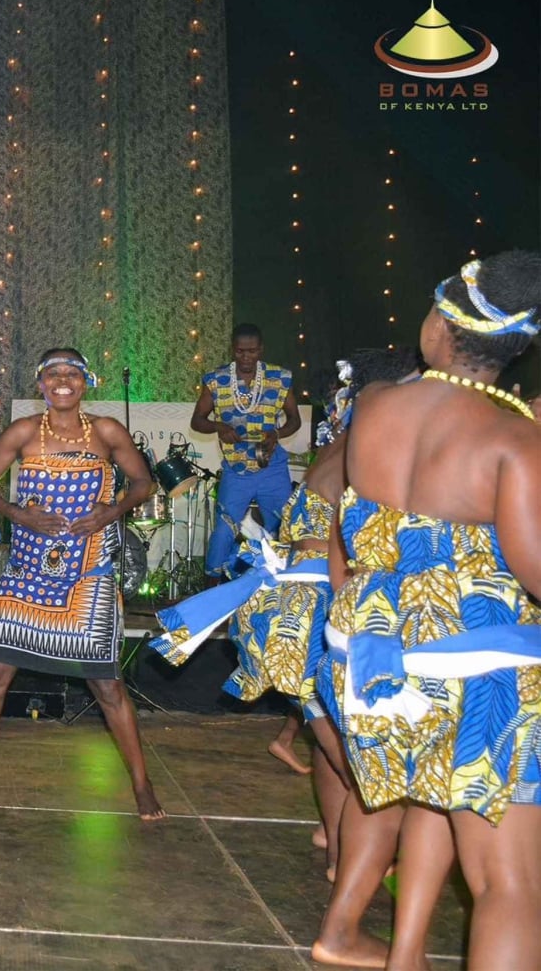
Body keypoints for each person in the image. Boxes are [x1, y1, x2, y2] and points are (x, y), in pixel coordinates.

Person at [311, 252, 541, 971]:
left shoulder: (377, 408)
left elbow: (355, 537)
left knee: (433, 803)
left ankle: (405, 955)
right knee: (509, 882)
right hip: (477, 676)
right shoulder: (513, 438)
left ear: (441, 324)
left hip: (372, 667)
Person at [154, 348, 420, 883]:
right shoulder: (372, 446)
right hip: (313, 607)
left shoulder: (347, 442)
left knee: (328, 737)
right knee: (360, 761)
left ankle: (335, 846)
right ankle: (358, 863)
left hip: (295, 604)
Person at [0, 349, 165, 821]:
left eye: (72, 374)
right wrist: (17, 513)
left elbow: (142, 483)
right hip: (28, 573)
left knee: (108, 685)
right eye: (53, 374)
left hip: (89, 574)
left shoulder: (107, 431)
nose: (63, 381)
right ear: (40, 384)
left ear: (85, 382)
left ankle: (143, 784)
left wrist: (110, 512)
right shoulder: (24, 432)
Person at [191, 323, 302, 577]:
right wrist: (219, 426)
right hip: (236, 469)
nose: (245, 358)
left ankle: (282, 582)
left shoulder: (279, 378)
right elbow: (197, 420)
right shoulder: (216, 380)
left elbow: (294, 420)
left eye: (251, 351)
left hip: (271, 467)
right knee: (224, 528)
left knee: (283, 524)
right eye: (240, 351)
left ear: (261, 350)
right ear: (233, 350)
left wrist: (277, 434)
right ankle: (214, 587)